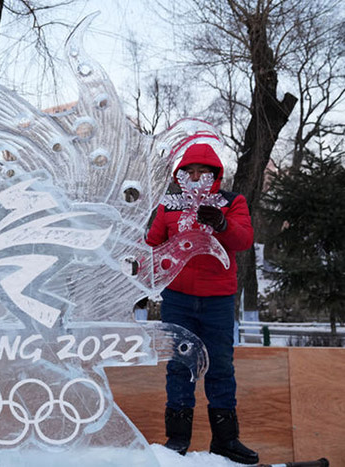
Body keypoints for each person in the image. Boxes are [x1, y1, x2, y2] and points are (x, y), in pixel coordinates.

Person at [145, 142, 259, 464]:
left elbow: (244, 239)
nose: (195, 178)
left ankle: (225, 440)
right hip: (177, 299)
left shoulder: (232, 202)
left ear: (215, 175)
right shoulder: (169, 206)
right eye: (189, 172)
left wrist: (222, 224)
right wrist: (140, 273)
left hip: (218, 300)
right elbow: (153, 243)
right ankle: (177, 440)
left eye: (202, 172)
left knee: (220, 367)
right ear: (181, 175)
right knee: (180, 366)